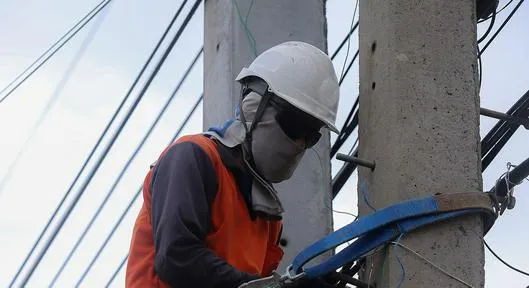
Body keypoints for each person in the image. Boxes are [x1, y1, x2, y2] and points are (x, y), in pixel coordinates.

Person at [125, 41, 340, 288]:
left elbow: (251, 283)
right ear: (253, 108)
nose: (300, 144)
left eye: (311, 136)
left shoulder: (267, 213)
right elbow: (178, 258)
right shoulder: (193, 158)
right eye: (295, 125)